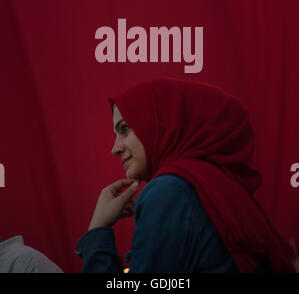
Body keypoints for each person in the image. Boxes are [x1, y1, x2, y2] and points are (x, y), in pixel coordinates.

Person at [76, 77, 295, 273]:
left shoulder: (168, 193)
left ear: (162, 124)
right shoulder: (215, 185)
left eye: (124, 129)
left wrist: (98, 230)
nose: (115, 148)